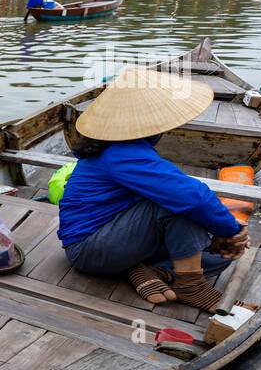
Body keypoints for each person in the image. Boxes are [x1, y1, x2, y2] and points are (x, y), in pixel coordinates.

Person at [57, 67, 248, 311]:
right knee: (179, 205)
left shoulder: (121, 147)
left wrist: (220, 237)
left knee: (216, 257)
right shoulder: (120, 153)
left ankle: (146, 271)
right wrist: (232, 230)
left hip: (117, 239)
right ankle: (190, 287)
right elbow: (192, 197)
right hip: (89, 249)